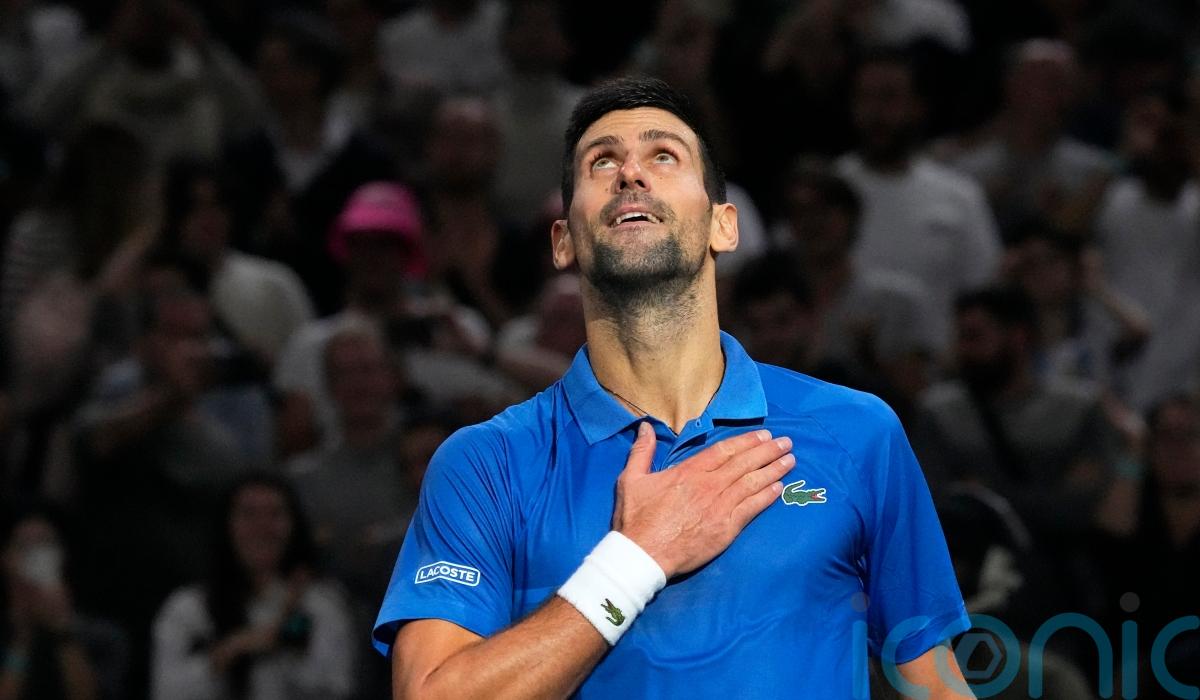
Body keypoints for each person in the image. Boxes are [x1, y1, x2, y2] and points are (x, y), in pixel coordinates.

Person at [374, 77, 973, 698]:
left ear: (724, 226)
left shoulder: (858, 432)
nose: (631, 173)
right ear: (563, 241)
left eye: (664, 156)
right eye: (601, 161)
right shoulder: (484, 463)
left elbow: (936, 686)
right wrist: (634, 560)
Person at [151, 474, 354, 700]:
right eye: (249, 514)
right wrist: (232, 650)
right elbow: (166, 692)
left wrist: (288, 630)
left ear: (293, 525)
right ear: (226, 525)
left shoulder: (320, 603)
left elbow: (334, 688)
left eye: (275, 514)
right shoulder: (187, 608)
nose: (262, 527)